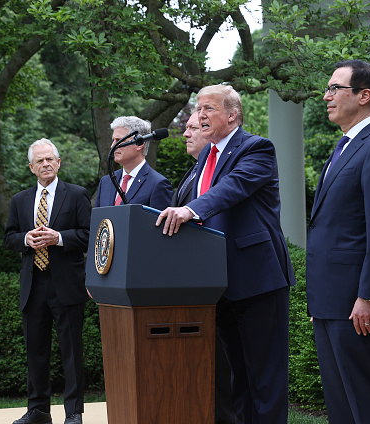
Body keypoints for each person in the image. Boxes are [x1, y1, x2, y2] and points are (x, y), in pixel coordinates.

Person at [156, 84, 295, 424]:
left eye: (209, 109)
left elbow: (229, 189)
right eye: (198, 108)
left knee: (265, 379)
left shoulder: (257, 148)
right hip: (217, 282)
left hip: (257, 278)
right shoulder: (206, 156)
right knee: (239, 381)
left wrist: (189, 210)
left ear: (232, 115)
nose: (199, 115)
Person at [306, 59, 370, 423]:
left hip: (355, 302)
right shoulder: (343, 147)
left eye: (335, 88)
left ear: (364, 95)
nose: (327, 96)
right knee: (341, 405)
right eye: (327, 89)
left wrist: (369, 295)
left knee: (369, 401)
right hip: (329, 298)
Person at [4, 139, 92, 424]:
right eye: (39, 161)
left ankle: (74, 413)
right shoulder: (20, 200)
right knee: (36, 352)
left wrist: (59, 237)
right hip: (33, 285)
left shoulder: (77, 195)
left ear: (58, 162)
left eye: (49, 159)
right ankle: (38, 411)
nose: (45, 164)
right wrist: (26, 239)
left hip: (66, 284)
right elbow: (9, 238)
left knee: (71, 353)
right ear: (32, 168)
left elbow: (88, 235)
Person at [170, 112, 237, 424]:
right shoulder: (192, 173)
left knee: (225, 367)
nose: (186, 134)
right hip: (195, 283)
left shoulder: (225, 170)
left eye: (193, 128)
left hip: (221, 279)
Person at [94, 116, 172, 209]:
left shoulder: (158, 184)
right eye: (113, 140)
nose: (112, 146)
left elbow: (160, 222)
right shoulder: (106, 182)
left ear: (139, 144)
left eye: (119, 140)